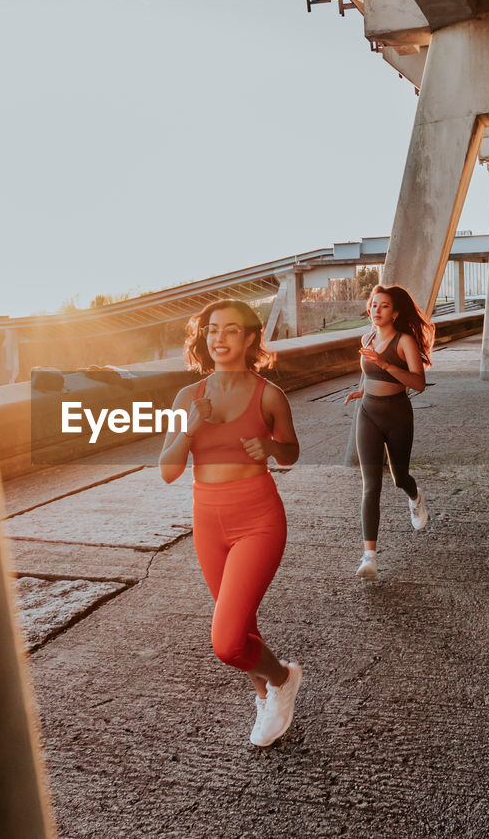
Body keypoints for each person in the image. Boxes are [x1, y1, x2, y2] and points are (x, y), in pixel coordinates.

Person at [159, 299, 304, 747]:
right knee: (241, 625)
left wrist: (270, 447)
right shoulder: (188, 398)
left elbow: (292, 452)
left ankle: (282, 678)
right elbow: (167, 470)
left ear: (248, 338)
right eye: (211, 330)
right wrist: (188, 429)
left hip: (258, 517)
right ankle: (265, 697)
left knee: (225, 641)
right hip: (207, 521)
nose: (219, 338)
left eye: (230, 330)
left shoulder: (268, 395)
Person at [343, 284, 434, 580]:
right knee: (370, 486)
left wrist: (384, 363)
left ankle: (415, 495)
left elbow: (418, 384)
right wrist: (361, 391)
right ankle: (369, 557)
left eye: (383, 306)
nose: (376, 310)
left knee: (399, 478)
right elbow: (366, 370)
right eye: (373, 304)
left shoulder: (404, 341)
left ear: (395, 313)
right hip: (368, 413)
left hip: (397, 414)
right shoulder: (366, 336)